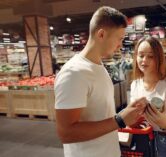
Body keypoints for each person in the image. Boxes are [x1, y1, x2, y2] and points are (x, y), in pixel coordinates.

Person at [54, 6, 147, 157]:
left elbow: (101, 115)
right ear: (102, 34)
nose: (120, 45)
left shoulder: (98, 66)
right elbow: (66, 133)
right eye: (119, 39)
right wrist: (120, 120)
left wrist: (126, 116)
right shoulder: (74, 73)